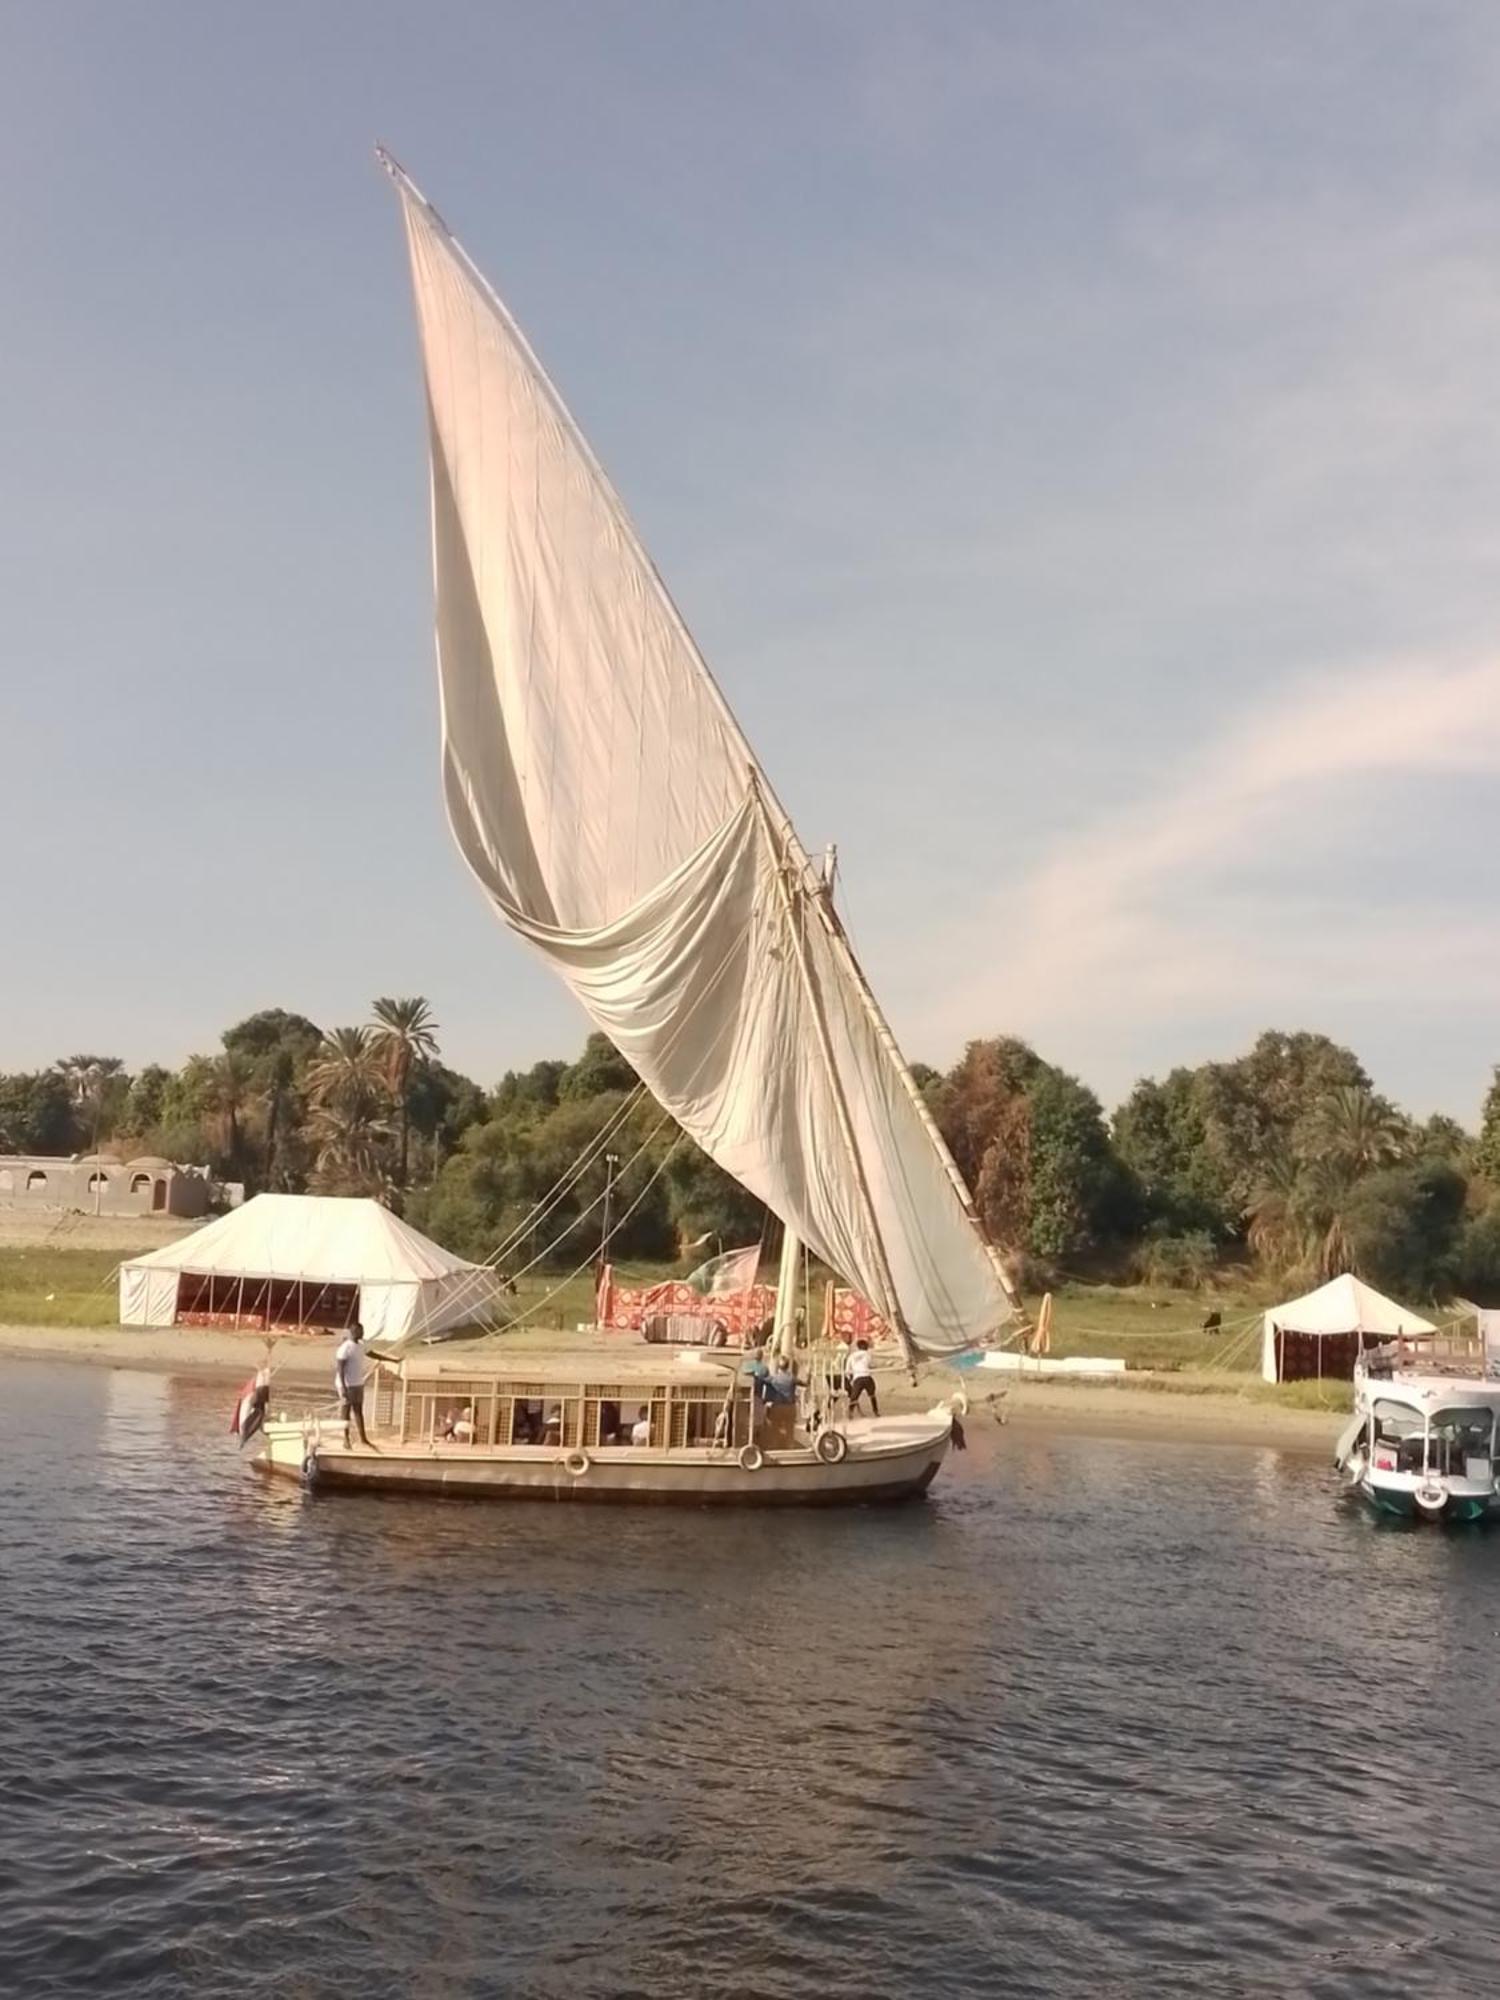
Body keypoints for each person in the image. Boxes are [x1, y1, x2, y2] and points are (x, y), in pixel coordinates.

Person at [334, 1323, 375, 1448]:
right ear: (354, 1332)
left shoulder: (361, 1345)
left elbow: (372, 1354)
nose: (362, 1334)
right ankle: (345, 1439)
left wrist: (391, 1360)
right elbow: (340, 1369)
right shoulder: (345, 1348)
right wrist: (344, 1388)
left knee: (358, 1411)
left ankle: (363, 1438)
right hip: (346, 1384)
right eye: (360, 1331)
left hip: (358, 1383)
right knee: (345, 1412)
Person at [846, 1337, 878, 1417]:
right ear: (866, 1347)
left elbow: (847, 1370)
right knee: (872, 1395)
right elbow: (872, 1365)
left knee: (854, 1397)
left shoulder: (852, 1356)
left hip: (858, 1378)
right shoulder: (868, 1355)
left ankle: (850, 1413)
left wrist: (850, 1379)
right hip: (867, 1376)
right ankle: (875, 1411)